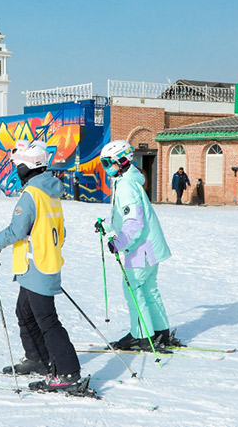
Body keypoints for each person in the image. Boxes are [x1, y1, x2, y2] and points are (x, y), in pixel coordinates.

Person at [0, 139, 83, 393]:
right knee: (24, 313)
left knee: (47, 321)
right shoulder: (51, 192)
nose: (17, 170)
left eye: (18, 166)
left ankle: (68, 371)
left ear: (28, 166)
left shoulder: (31, 194)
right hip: (37, 266)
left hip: (37, 266)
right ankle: (37, 358)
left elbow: (17, 230)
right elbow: (61, 231)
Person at [95, 140, 181, 350]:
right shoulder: (128, 180)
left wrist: (119, 242)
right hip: (149, 244)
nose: (106, 168)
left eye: (108, 163)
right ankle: (160, 331)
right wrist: (107, 224)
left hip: (140, 247)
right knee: (149, 289)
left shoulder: (125, 184)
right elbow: (127, 214)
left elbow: (134, 222)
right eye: (103, 163)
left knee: (133, 289)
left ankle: (142, 336)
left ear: (122, 161)